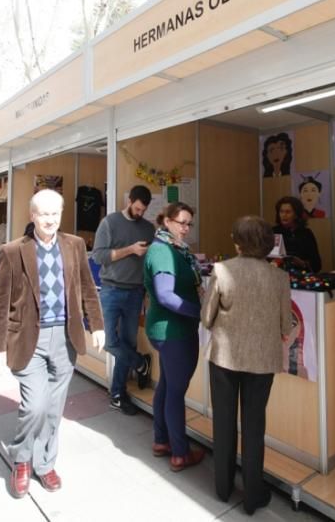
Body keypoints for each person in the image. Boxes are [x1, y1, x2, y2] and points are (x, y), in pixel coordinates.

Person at [0, 189, 105, 498]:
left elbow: (86, 287)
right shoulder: (13, 251)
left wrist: (95, 324)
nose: (50, 220)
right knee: (35, 406)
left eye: (55, 213)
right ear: (32, 216)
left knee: (54, 409)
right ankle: (22, 459)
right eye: (44, 214)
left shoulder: (75, 245)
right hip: (29, 338)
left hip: (65, 338)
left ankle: (44, 464)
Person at [201, 215, 292, 515]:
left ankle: (223, 488)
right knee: (254, 426)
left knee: (224, 423)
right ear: (268, 243)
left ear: (237, 241)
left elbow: (206, 318)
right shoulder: (279, 277)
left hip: (225, 359)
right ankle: (253, 496)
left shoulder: (222, 270)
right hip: (263, 361)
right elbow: (285, 325)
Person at [144, 202, 205, 472]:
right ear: (166, 221)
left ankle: (161, 440)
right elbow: (166, 296)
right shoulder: (163, 251)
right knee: (175, 392)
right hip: (173, 330)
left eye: (189, 223)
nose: (186, 228)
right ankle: (180, 453)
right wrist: (200, 312)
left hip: (169, 330)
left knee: (168, 386)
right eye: (181, 222)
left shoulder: (174, 249)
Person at [92, 185, 154, 415]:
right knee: (109, 341)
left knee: (128, 342)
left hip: (136, 291)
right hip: (110, 289)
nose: (140, 213)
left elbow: (149, 263)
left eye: (143, 210)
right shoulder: (110, 223)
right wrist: (129, 250)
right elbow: (98, 256)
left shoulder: (148, 228)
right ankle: (140, 363)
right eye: (137, 208)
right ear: (130, 200)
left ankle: (117, 394)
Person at [273, 196, 321, 272]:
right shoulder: (273, 232)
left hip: (301, 275)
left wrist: (303, 263)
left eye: (288, 212)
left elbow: (317, 264)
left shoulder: (306, 233)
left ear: (296, 214)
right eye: (281, 211)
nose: (284, 215)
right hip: (278, 274)